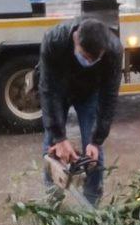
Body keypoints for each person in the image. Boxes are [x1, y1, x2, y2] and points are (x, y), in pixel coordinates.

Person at [39, 17, 122, 206]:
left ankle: (91, 204)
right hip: (58, 91)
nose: (89, 62)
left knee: (94, 154)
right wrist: (59, 138)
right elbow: (47, 90)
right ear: (76, 40)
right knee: (51, 148)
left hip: (89, 93)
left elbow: (109, 97)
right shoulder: (54, 40)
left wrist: (96, 139)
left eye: (95, 59)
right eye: (85, 57)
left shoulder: (113, 50)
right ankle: (51, 202)